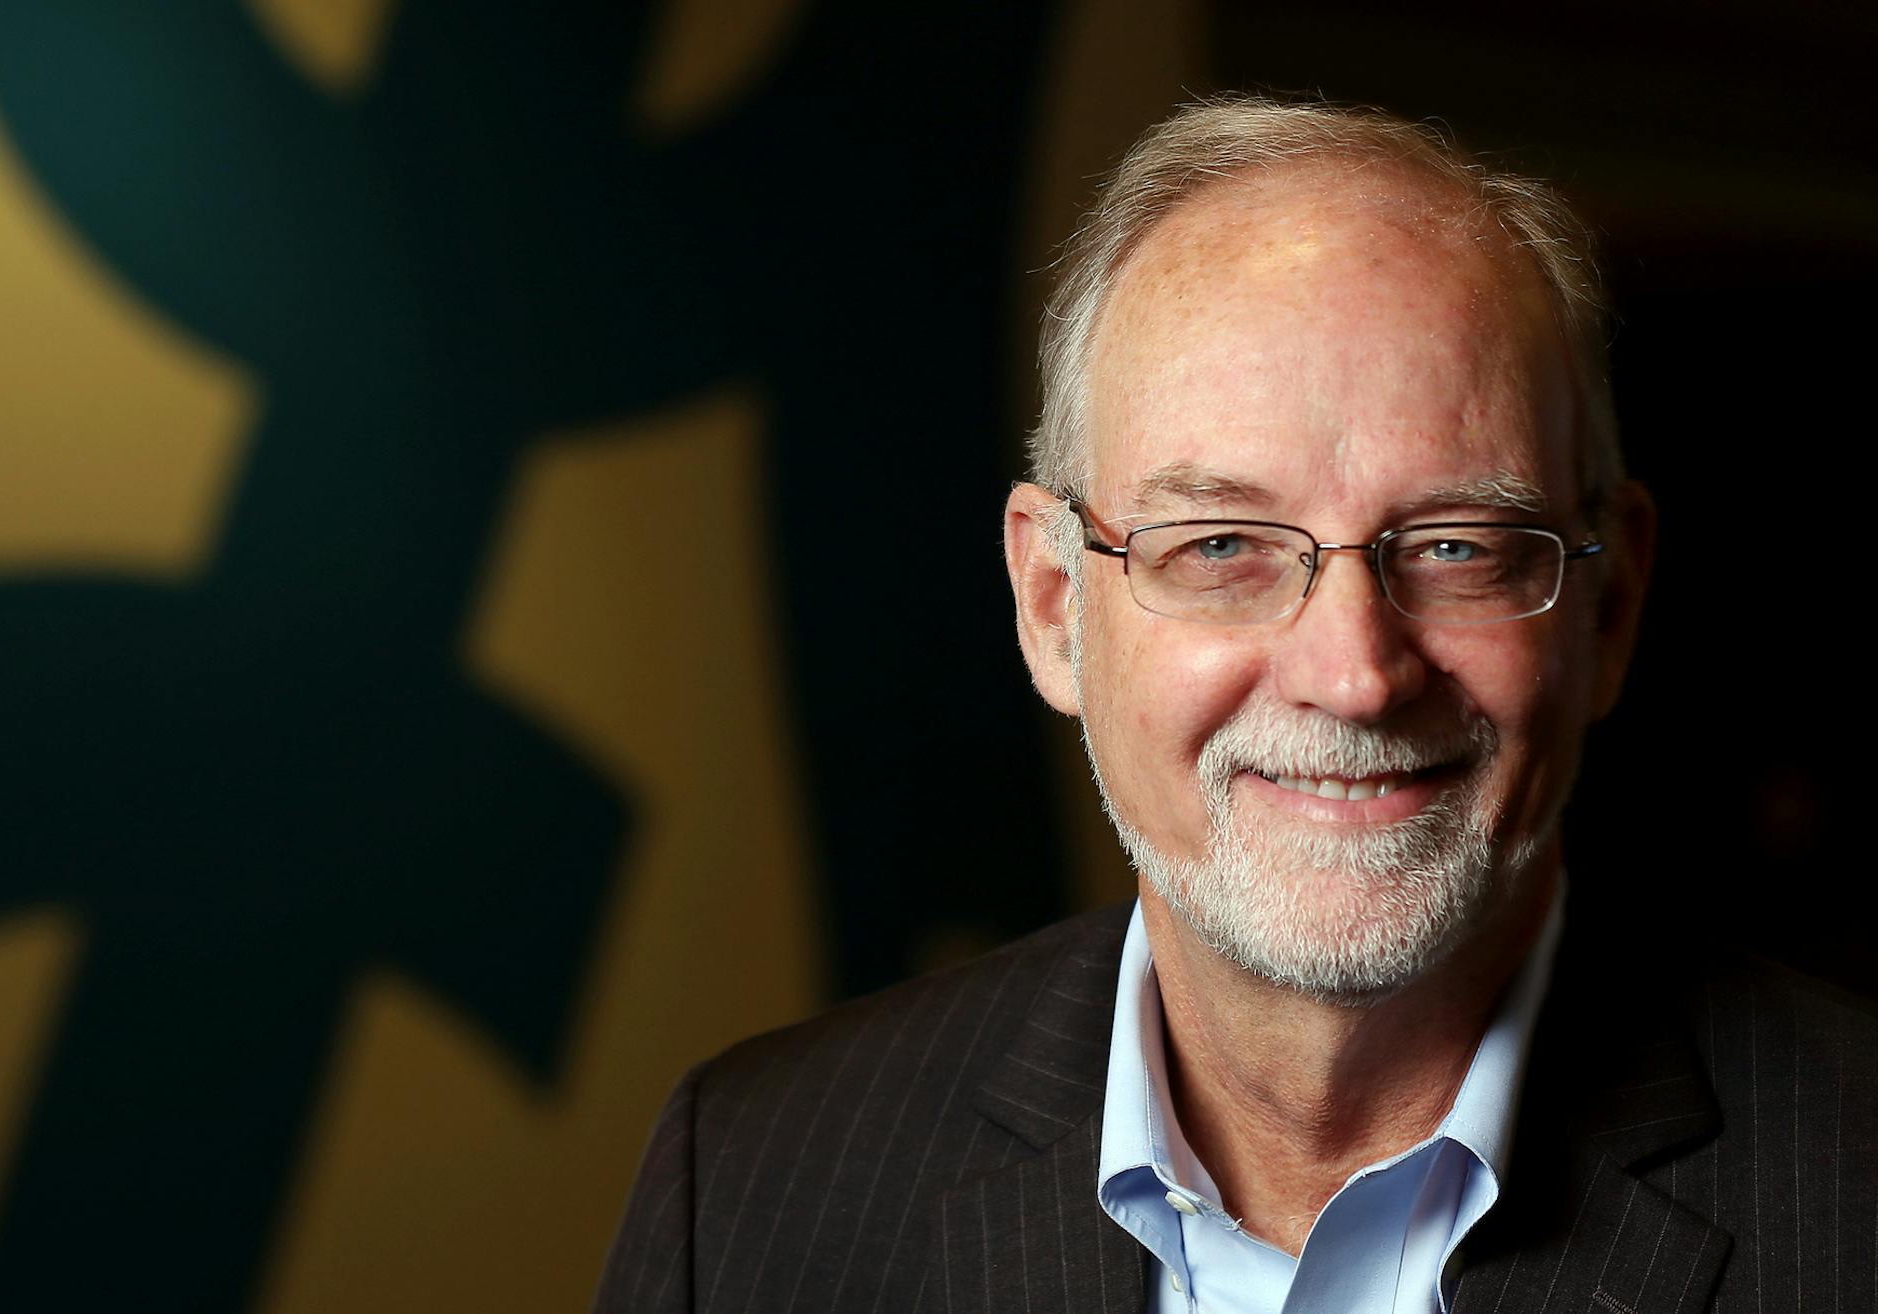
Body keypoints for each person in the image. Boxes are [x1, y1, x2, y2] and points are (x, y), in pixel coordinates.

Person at [593, 96, 1876, 1314]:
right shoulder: (756, 1186)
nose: (1357, 674)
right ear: (1053, 605)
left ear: (1610, 607)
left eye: (1455, 546)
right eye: (1220, 548)